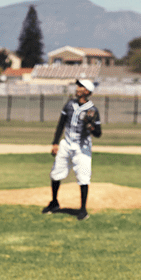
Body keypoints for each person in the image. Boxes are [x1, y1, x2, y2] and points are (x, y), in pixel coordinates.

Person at [42, 78, 101, 219]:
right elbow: (61, 124)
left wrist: (90, 125)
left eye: (80, 87)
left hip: (83, 147)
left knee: (83, 177)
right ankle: (54, 202)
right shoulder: (69, 105)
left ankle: (83, 209)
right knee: (56, 173)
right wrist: (55, 143)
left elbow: (98, 133)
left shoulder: (93, 109)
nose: (77, 88)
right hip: (66, 144)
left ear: (87, 91)